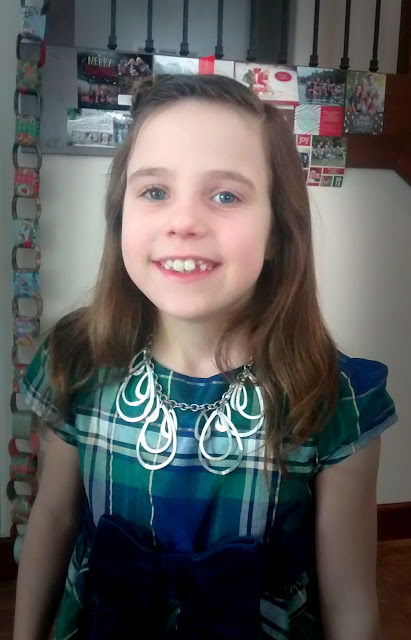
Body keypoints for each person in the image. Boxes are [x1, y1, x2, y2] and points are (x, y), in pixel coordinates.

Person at [14, 74, 398, 640]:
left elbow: (352, 601)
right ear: (120, 215)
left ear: (278, 233)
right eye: (154, 191)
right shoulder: (78, 360)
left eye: (225, 196)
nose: (184, 222)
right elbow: (53, 517)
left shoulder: (336, 401)